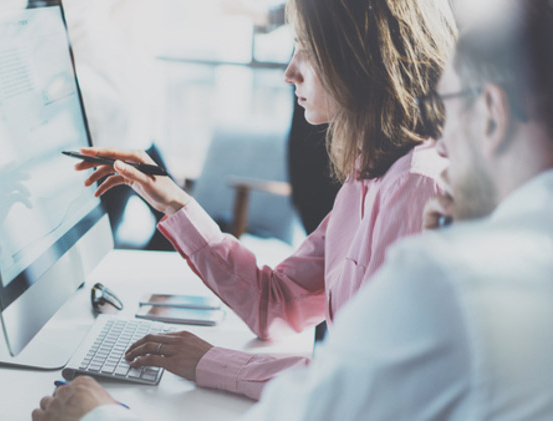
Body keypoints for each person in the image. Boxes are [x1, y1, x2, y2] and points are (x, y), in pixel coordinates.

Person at [32, 0, 553, 418]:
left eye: (304, 49)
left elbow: (353, 390)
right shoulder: (366, 179)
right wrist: (177, 204)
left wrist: (212, 363)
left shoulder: (415, 185)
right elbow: (277, 305)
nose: (288, 72)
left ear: (357, 58)